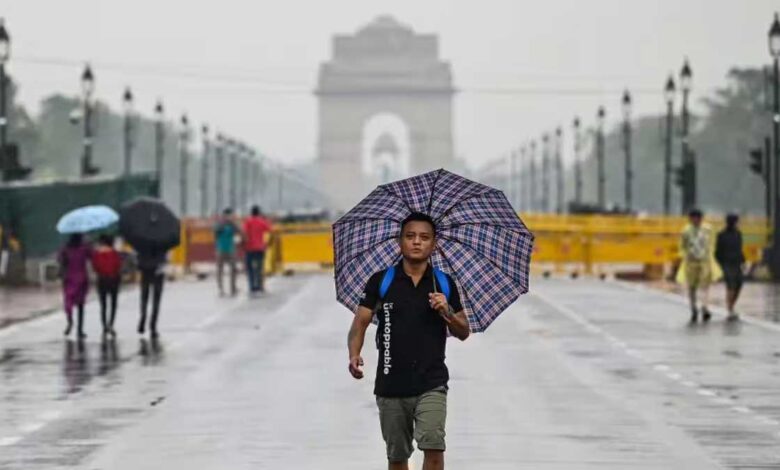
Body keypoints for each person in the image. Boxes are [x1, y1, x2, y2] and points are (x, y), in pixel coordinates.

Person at [347, 212, 470, 470]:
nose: (417, 242)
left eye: (424, 237)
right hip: (391, 383)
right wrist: (354, 354)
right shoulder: (382, 281)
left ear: (433, 244)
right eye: (410, 236)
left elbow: (463, 331)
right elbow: (360, 322)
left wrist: (446, 310)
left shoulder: (444, 284)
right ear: (400, 242)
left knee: (434, 445)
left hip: (432, 381)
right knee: (397, 456)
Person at [677, 209, 721, 323]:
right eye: (694, 218)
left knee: (705, 285)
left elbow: (712, 243)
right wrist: (684, 255)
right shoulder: (686, 231)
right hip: (691, 262)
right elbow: (682, 246)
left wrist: (711, 254)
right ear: (690, 219)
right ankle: (693, 308)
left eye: (698, 218)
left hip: (704, 261)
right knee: (692, 287)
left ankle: (704, 307)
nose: (696, 220)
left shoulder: (708, 229)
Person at [58, 233, 92, 338]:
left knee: (68, 302)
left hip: (69, 279)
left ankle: (70, 321)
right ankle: (80, 330)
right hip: (82, 278)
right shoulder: (84, 248)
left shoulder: (65, 249)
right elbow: (92, 256)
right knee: (81, 306)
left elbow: (60, 260)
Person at [91, 234, 122, 338]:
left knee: (103, 305)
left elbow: (95, 266)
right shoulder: (114, 253)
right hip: (113, 280)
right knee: (113, 303)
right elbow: (118, 265)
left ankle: (104, 325)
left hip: (102, 280)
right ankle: (111, 324)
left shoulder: (97, 254)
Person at [715, 213, 745, 321]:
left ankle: (732, 305)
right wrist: (720, 263)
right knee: (731, 285)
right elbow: (718, 251)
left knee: (739, 284)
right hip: (726, 263)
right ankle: (730, 309)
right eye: (737, 221)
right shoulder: (721, 235)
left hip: (737, 263)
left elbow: (740, 248)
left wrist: (743, 261)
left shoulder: (738, 234)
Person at [137, 247, 167, 338]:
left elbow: (138, 256)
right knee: (156, 301)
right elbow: (165, 257)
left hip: (145, 270)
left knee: (144, 297)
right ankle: (153, 327)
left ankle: (143, 318)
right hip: (158, 271)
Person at [242, 205, 272, 294]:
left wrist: (243, 244)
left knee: (250, 269)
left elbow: (244, 233)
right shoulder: (261, 222)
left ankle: (252, 287)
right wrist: (265, 219)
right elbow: (270, 229)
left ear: (251, 213)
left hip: (249, 248)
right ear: (258, 213)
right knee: (259, 268)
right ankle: (260, 286)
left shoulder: (247, 221)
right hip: (260, 248)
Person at [214, 208, 240, 296]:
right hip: (221, 249)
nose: (231, 217)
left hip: (231, 249)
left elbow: (239, 231)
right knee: (220, 270)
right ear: (225, 215)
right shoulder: (219, 223)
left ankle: (233, 288)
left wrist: (233, 223)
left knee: (234, 269)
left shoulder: (232, 224)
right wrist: (224, 222)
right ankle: (220, 289)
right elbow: (215, 232)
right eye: (230, 215)